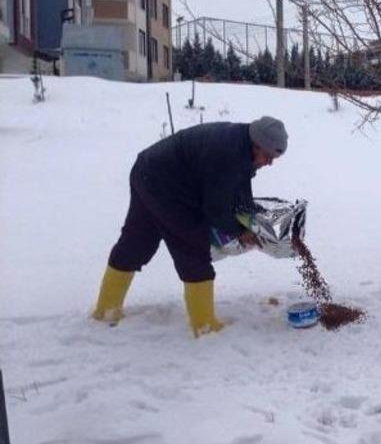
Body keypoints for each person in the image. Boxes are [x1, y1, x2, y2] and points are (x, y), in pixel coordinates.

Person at [92, 116, 288, 337]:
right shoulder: (228, 154)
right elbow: (215, 207)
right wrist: (240, 231)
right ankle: (204, 325)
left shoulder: (240, 144)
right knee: (192, 247)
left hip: (147, 171)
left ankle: (105, 309)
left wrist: (253, 219)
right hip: (167, 185)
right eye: (268, 156)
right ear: (257, 143)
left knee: (137, 242)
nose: (270, 163)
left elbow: (237, 187)